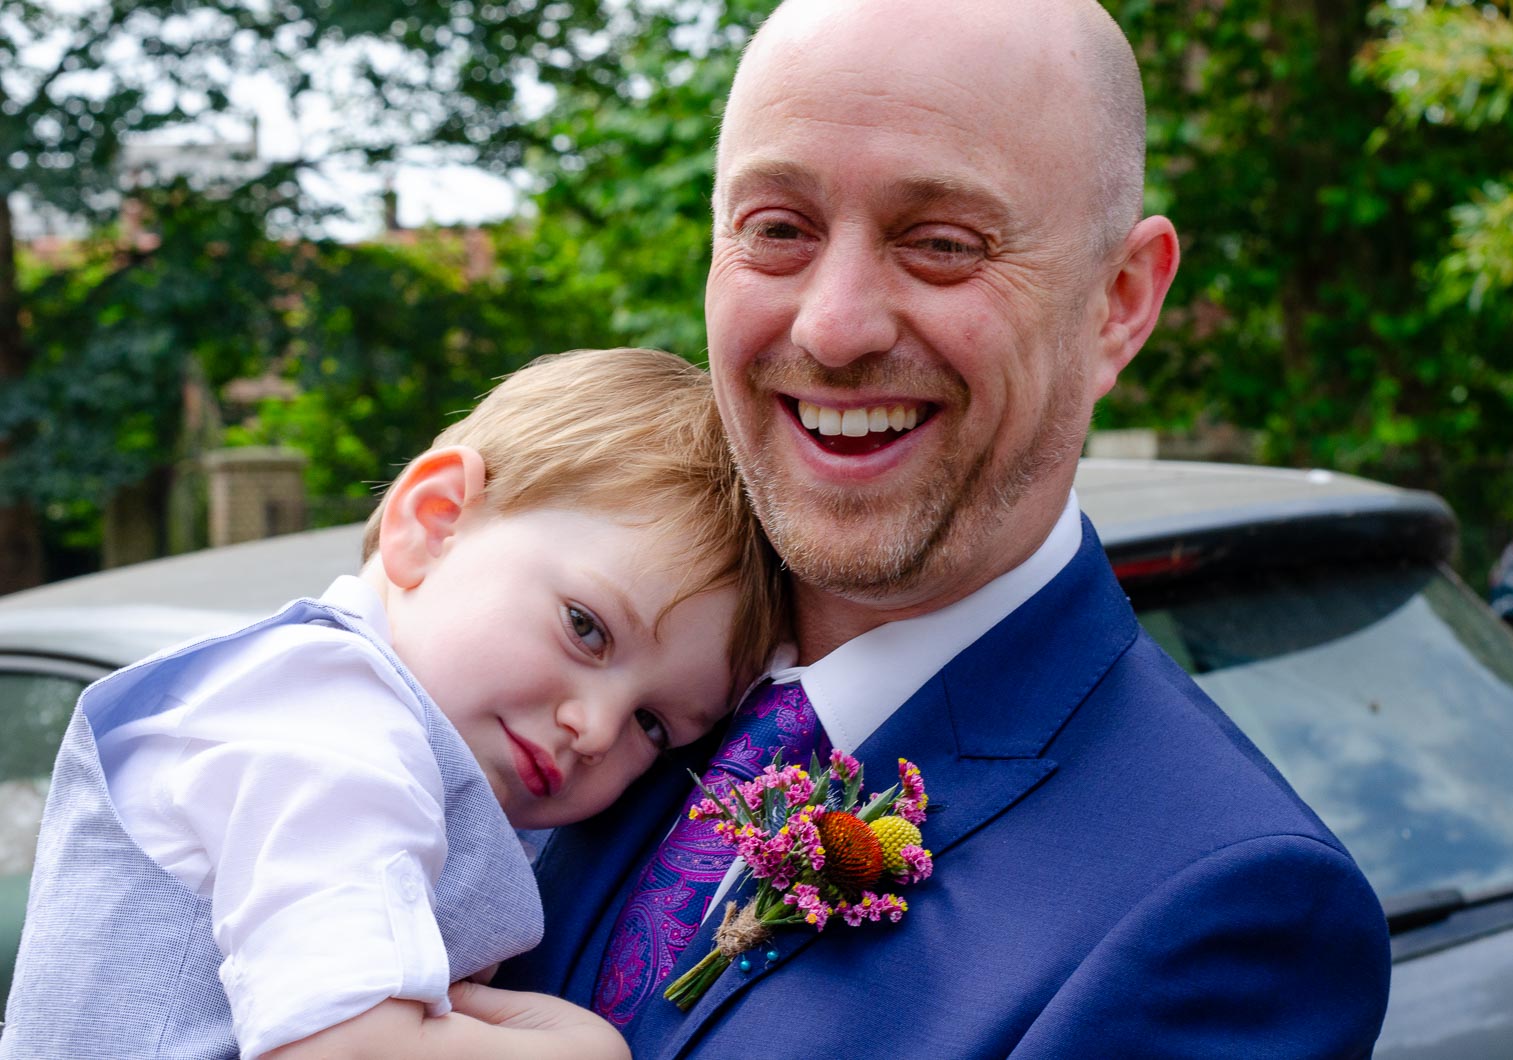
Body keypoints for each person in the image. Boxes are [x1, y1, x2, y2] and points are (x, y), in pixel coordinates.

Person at [498, 1, 1393, 1056]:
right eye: (778, 229)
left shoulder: (1227, 914)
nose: (833, 326)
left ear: (1118, 302)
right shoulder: (550, 647)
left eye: (940, 244)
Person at [0, 348, 786, 1060]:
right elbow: (341, 1048)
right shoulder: (329, 721)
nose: (597, 727)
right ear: (435, 522)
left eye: (654, 724)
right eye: (586, 629)